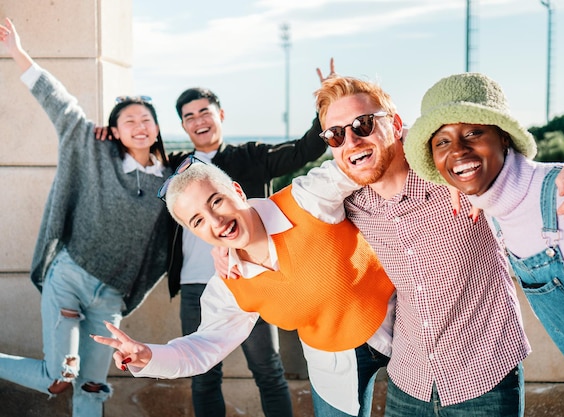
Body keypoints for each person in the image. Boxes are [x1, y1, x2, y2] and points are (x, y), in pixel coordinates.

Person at [280, 73, 564, 416]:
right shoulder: (351, 206)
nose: (351, 140)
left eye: (364, 124)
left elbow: (525, 176)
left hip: (484, 378)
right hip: (407, 381)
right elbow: (290, 206)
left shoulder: (460, 179)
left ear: (396, 124)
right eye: (336, 134)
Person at [92, 157, 396, 417]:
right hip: (333, 361)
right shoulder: (229, 285)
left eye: (216, 201)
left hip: (410, 327)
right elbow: (203, 346)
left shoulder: (305, 200)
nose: (216, 221)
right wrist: (148, 355)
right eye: (198, 221)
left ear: (237, 191)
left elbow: (363, 160)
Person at [403, 72, 564, 415]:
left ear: (504, 138)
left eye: (473, 133)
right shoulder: (494, 209)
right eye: (442, 142)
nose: (458, 150)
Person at [0, 18, 171, 417]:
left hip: (110, 298)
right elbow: (60, 104)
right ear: (113, 131)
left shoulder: (171, 181)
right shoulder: (94, 152)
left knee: (92, 388)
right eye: (128, 120)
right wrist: (17, 51)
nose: (139, 126)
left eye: (146, 119)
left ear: (158, 128)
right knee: (57, 377)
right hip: (70, 278)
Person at [166, 80, 328, 417]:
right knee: (203, 375)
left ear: (220, 115)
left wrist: (325, 105)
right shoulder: (176, 169)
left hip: (251, 280)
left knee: (268, 371)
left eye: (204, 112)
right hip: (195, 286)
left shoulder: (250, 156)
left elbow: (304, 151)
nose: (199, 121)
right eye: (189, 117)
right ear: (183, 126)